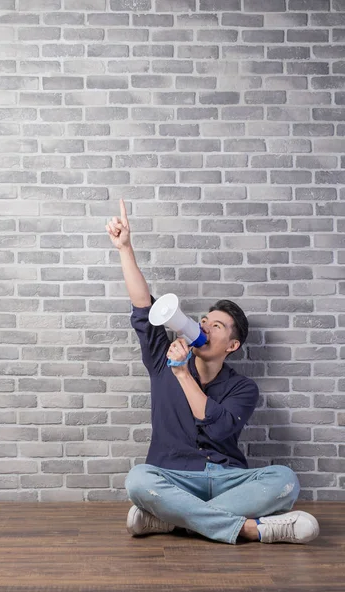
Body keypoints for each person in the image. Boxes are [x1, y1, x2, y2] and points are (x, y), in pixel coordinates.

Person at [105, 199, 320, 545]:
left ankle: (171, 520)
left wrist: (183, 375)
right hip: (173, 475)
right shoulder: (163, 359)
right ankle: (251, 529)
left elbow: (218, 427)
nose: (204, 326)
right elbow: (143, 310)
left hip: (227, 479)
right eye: (204, 320)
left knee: (285, 480)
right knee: (138, 480)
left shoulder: (243, 388)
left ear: (232, 345)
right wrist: (125, 248)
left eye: (216, 326)